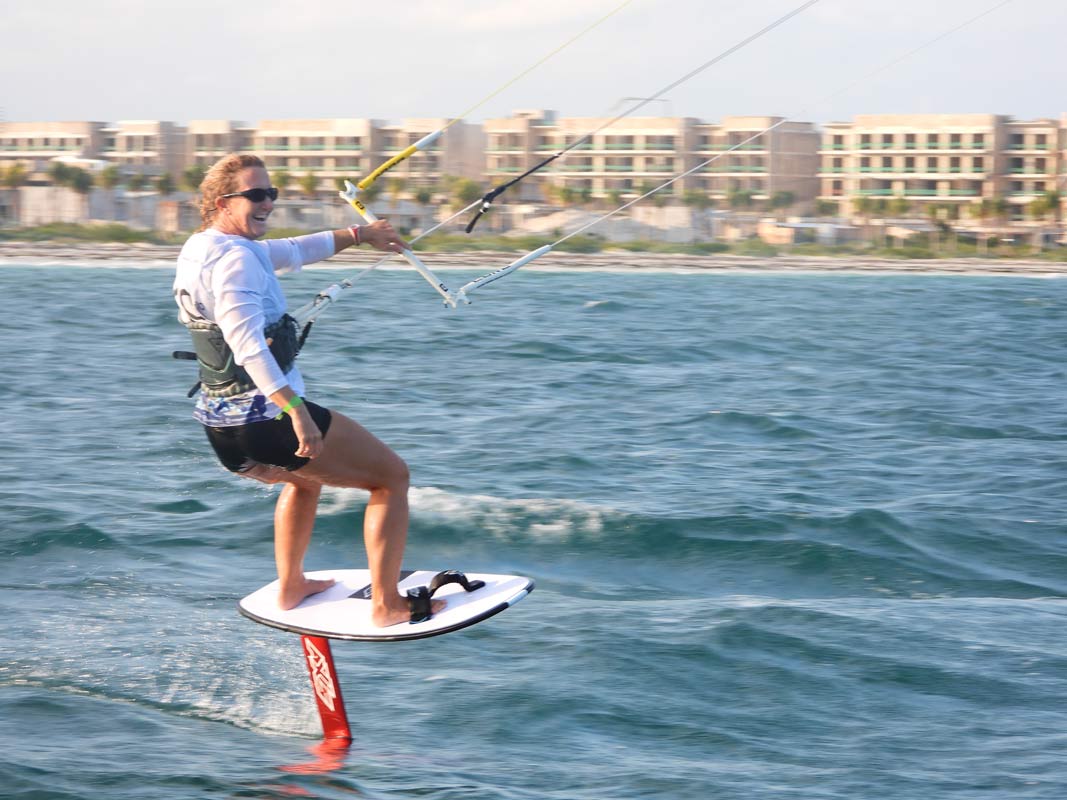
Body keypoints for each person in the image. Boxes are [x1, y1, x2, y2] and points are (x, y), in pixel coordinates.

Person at [173, 153, 444, 627]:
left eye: (271, 194)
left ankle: (292, 585)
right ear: (222, 202)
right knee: (392, 478)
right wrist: (295, 411)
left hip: (222, 428)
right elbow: (246, 342)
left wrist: (360, 235)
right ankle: (387, 604)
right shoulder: (237, 259)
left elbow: (295, 249)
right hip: (268, 419)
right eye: (256, 195)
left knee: (301, 482)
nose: (268, 203)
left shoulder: (203, 247)